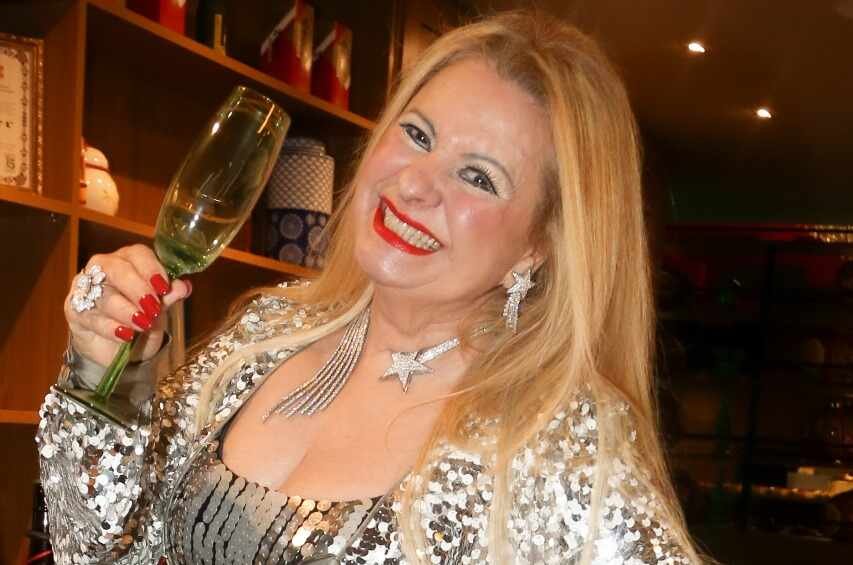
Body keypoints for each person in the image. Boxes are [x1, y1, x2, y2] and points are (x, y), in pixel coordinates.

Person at [37, 10, 702, 565]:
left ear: (540, 242)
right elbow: (95, 549)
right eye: (416, 135)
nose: (413, 183)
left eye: (477, 177)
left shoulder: (559, 434)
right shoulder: (265, 331)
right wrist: (106, 373)